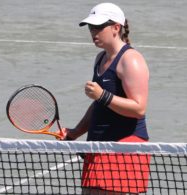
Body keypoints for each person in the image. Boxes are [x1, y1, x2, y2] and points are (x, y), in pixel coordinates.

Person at [59, 2, 150, 195]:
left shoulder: (131, 60)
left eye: (99, 26)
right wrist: (76, 132)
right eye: (91, 27)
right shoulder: (100, 58)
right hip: (98, 146)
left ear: (116, 27)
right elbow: (99, 105)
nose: (93, 32)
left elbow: (139, 108)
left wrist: (103, 95)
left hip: (124, 148)